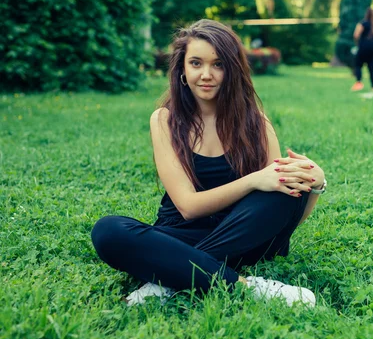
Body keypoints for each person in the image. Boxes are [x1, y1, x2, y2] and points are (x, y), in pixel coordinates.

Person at [91, 19, 326, 307]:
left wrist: (315, 185)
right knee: (108, 231)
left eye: (218, 64)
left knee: (282, 190)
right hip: (180, 234)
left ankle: (170, 276)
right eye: (196, 63)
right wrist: (253, 180)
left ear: (233, 70)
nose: (206, 74)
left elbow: (282, 214)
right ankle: (244, 286)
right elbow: (188, 207)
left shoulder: (257, 124)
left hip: (241, 236)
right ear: (182, 70)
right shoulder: (165, 120)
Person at [351, 6, 373, 92]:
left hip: (364, 47)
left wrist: (357, 43)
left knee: (358, 65)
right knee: (371, 68)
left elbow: (356, 35)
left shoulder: (363, 23)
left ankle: (358, 83)